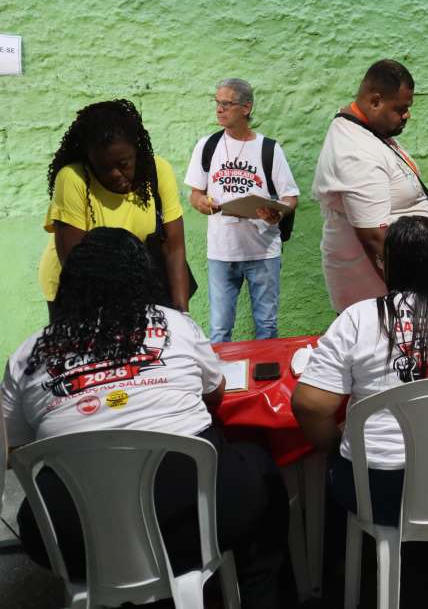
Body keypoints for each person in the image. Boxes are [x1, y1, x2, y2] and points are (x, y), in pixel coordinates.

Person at [6, 228, 288, 608]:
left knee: (35, 512)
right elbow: (216, 393)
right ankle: (259, 594)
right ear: (143, 278)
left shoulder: (27, 356)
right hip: (191, 525)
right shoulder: (176, 326)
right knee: (260, 469)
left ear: (69, 284)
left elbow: (14, 448)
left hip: (76, 538)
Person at [292, 216, 428, 526]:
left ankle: (343, 553)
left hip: (381, 488)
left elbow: (310, 405)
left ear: (390, 266)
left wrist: (337, 447)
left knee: (334, 470)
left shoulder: (359, 318)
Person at [311, 59, 428, 314]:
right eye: (401, 108)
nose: (407, 115)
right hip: (383, 303)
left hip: (394, 298)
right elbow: (376, 239)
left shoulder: (368, 130)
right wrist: (414, 300)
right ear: (375, 101)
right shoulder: (355, 151)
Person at [38, 99, 191, 319]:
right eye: (104, 167)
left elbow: (173, 248)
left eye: (123, 164)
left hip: (134, 282)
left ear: (136, 151)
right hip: (77, 286)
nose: (115, 175)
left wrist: (183, 316)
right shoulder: (73, 179)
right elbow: (77, 266)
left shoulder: (158, 171)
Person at [184, 78, 300, 342]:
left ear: (246, 108)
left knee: (267, 327)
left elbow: (290, 196)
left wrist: (279, 212)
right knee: (220, 329)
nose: (219, 109)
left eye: (226, 104)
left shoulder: (269, 149)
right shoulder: (207, 146)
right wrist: (202, 204)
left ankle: (266, 370)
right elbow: (195, 194)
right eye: (217, 103)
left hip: (263, 251)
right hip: (222, 252)